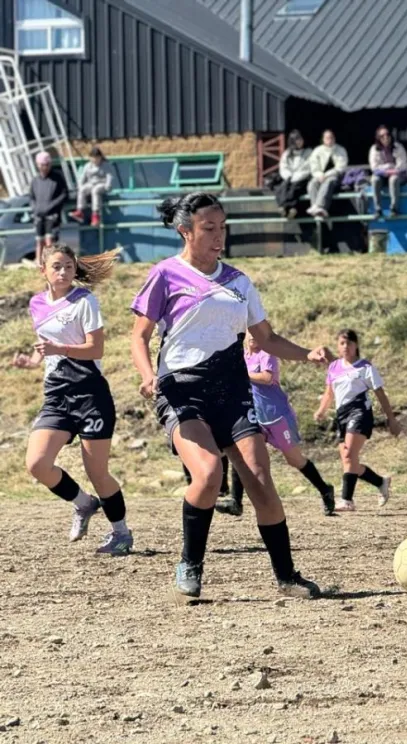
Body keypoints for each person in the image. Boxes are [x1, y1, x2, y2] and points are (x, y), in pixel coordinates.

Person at [130, 192, 330, 601]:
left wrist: (307, 353)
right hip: (182, 390)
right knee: (207, 474)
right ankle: (190, 562)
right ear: (185, 231)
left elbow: (267, 338)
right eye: (209, 228)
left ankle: (287, 577)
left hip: (234, 391)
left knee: (260, 481)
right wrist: (148, 375)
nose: (219, 236)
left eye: (223, 228)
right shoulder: (166, 274)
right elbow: (139, 336)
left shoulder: (239, 281)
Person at [12, 244, 132, 555]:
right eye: (57, 266)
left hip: (90, 394)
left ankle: (121, 533)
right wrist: (33, 361)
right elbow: (46, 345)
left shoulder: (84, 301)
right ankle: (83, 503)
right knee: (37, 463)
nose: (63, 272)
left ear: (74, 268)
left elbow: (96, 349)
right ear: (44, 271)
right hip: (57, 394)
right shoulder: (36, 303)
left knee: (98, 472)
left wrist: (58, 350)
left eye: (68, 266)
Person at [222, 328, 337, 517]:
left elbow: (267, 378)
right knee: (242, 453)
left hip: (276, 416)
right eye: (249, 333)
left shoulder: (267, 353)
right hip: (254, 416)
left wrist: (242, 374)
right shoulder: (242, 355)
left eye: (255, 332)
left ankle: (325, 490)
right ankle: (236, 501)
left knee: (294, 459)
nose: (252, 336)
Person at [314, 329, 400, 512]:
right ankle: (380, 482)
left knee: (349, 455)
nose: (346, 347)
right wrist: (321, 410)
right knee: (349, 462)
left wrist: (391, 419)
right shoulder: (334, 367)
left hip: (360, 412)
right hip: (341, 415)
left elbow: (380, 393)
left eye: (349, 343)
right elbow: (330, 393)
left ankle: (346, 500)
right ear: (338, 346)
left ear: (356, 345)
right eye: (342, 343)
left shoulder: (365, 367)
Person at [29, 152, 68, 261]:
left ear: (50, 164)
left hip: (53, 215)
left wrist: (51, 207)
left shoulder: (58, 177)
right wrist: (35, 208)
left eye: (47, 164)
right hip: (38, 216)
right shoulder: (35, 180)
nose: (45, 167)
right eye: (42, 165)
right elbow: (31, 197)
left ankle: (50, 263)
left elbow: (64, 195)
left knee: (49, 241)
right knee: (39, 241)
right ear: (37, 165)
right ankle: (39, 264)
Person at [306, 129, 349, 218]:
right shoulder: (317, 150)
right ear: (323, 139)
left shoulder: (341, 150)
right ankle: (316, 209)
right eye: (327, 138)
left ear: (334, 138)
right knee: (312, 183)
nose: (329, 139)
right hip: (320, 176)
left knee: (328, 182)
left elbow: (340, 167)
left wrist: (326, 175)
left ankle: (320, 206)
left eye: (331, 137)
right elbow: (313, 165)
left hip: (335, 176)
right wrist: (319, 174)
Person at [368, 126, 407, 219]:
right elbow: (374, 167)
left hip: (398, 175)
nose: (385, 137)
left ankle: (394, 209)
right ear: (378, 138)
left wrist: (394, 170)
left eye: (387, 135)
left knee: (393, 179)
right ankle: (378, 209)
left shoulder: (398, 146)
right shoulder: (374, 149)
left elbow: (403, 164)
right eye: (382, 136)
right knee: (374, 179)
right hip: (382, 175)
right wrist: (386, 168)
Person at [68, 147, 113, 227]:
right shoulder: (87, 166)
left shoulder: (105, 165)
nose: (95, 160)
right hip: (91, 183)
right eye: (93, 158)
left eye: (97, 158)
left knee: (95, 191)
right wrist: (80, 186)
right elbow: (82, 177)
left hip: (101, 184)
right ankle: (80, 211)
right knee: (82, 190)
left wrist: (108, 185)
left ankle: (95, 215)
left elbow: (109, 176)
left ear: (100, 157)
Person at [275, 130, 311, 219]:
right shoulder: (287, 153)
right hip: (289, 177)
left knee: (295, 187)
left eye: (300, 139)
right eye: (297, 140)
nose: (299, 142)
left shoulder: (309, 152)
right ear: (292, 141)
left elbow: (308, 167)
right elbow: (283, 166)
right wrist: (288, 176)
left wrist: (297, 177)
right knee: (282, 187)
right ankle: (285, 208)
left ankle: (289, 207)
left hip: (303, 178)